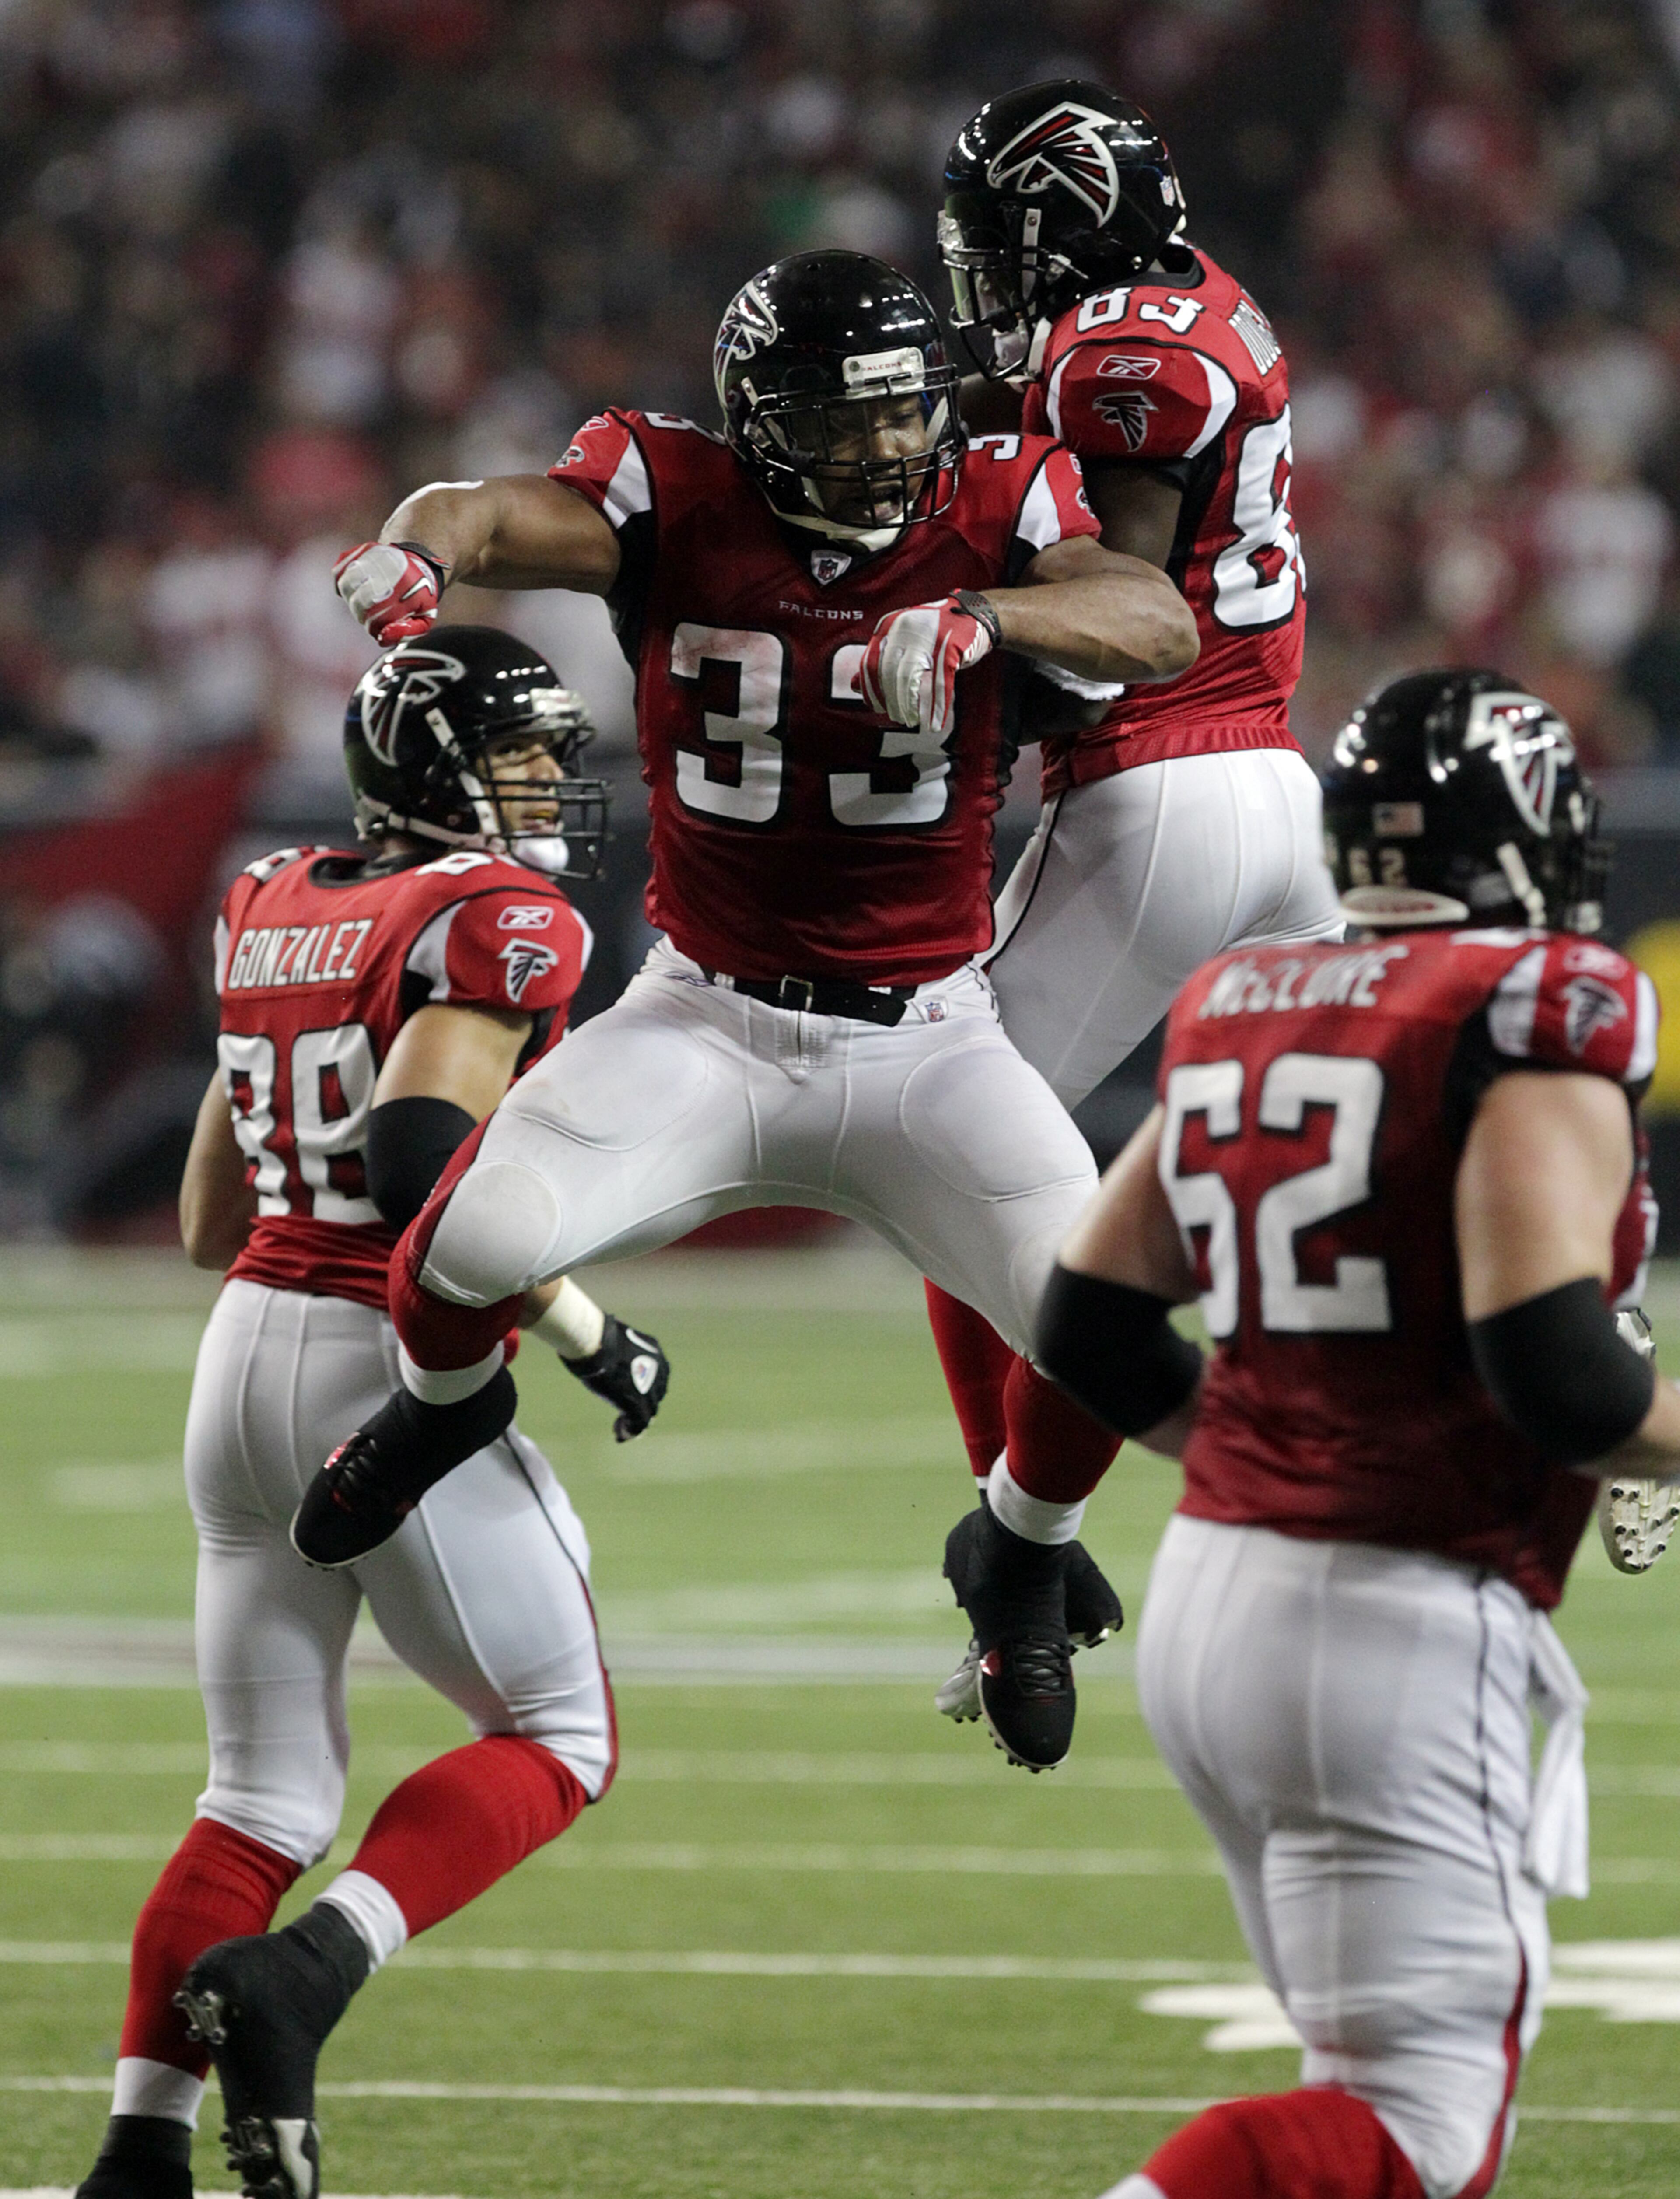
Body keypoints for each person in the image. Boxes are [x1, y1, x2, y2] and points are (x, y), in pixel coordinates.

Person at [309, 247, 1198, 1774]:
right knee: (470, 1245)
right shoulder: (675, 490)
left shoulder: (998, 498)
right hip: (703, 1020)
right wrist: (416, 548)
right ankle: (444, 1405)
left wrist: (993, 618)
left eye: (907, 411)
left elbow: (1155, 619)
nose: (891, 447)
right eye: (850, 421)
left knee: (1099, 1330)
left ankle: (1021, 1549)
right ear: (764, 423)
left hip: (930, 1039)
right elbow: (486, 512)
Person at [1035, 668, 1676, 2199]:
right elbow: (1562, 1380)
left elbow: (1090, 1323)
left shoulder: (1245, 997)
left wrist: (1283, 1449)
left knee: (1358, 2098)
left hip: (1221, 1589)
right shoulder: (1527, 1006)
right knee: (1416, 2128)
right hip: (1393, 1616)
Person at [74, 626, 672, 2199]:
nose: (554, 784)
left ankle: (139, 2150)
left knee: (258, 1796)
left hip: (243, 1351)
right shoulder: (492, 915)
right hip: (374, 1352)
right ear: (440, 772)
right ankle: (309, 1969)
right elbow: (420, 1172)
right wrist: (586, 1326)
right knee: (560, 1734)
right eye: (525, 755)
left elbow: (209, 1218)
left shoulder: (273, 898)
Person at [923, 80, 1345, 1721]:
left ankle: (1020, 1544)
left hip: (1160, 800)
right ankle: (1579, 1318)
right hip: (1279, 800)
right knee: (1357, 1157)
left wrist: (950, 660)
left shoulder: (1119, 358)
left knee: (940, 1136)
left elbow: (1123, 611)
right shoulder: (1198, 299)